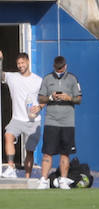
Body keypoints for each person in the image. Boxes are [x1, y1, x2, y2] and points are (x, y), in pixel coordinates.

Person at [36, 55, 81, 189]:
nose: (59, 70)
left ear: (65, 66)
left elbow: (79, 99)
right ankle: (43, 180)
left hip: (67, 122)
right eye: (57, 68)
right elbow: (40, 98)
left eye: (61, 68)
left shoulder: (72, 79)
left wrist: (69, 98)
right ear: (53, 67)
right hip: (51, 121)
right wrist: (51, 97)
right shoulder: (47, 79)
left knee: (65, 152)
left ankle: (63, 180)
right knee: (48, 152)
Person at [2, 51, 44, 180]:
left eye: (22, 63)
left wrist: (40, 107)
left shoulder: (38, 80)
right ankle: (11, 168)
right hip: (17, 119)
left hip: (33, 121)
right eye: (18, 64)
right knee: (8, 135)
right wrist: (1, 60)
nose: (20, 65)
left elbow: (44, 97)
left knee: (29, 151)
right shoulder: (12, 77)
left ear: (28, 62)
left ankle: (27, 178)